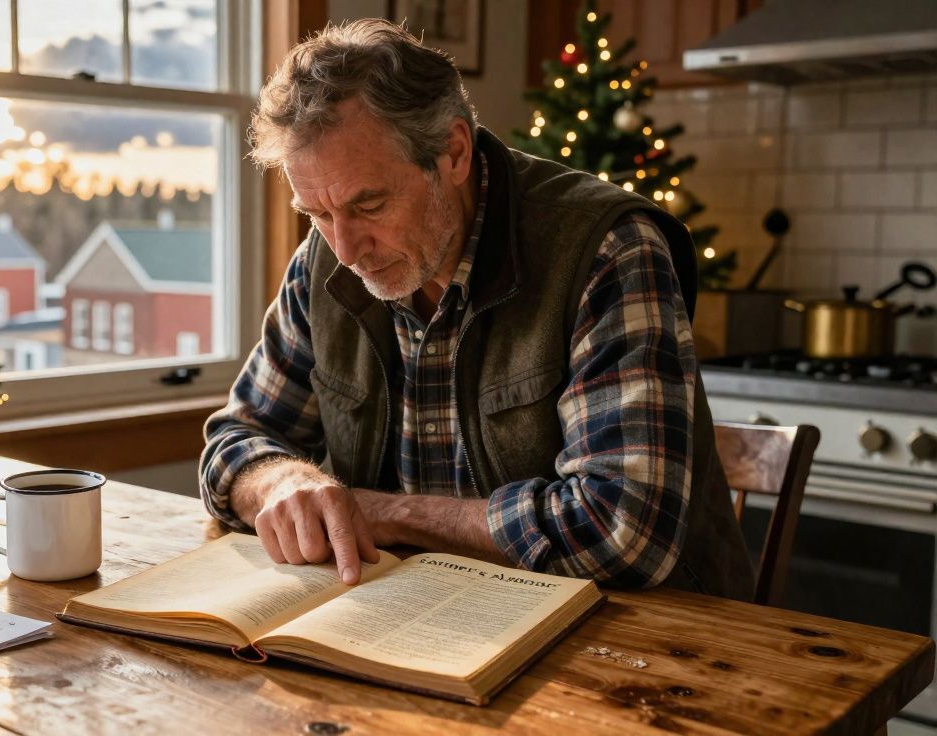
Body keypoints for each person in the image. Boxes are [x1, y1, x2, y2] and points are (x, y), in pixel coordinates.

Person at [198, 19, 754, 600]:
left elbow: (622, 530)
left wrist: (381, 514)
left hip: (654, 641)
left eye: (370, 203)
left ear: (454, 152)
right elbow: (235, 441)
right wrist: (282, 480)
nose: (345, 248)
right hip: (420, 613)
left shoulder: (608, 249)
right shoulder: (326, 260)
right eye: (316, 213)